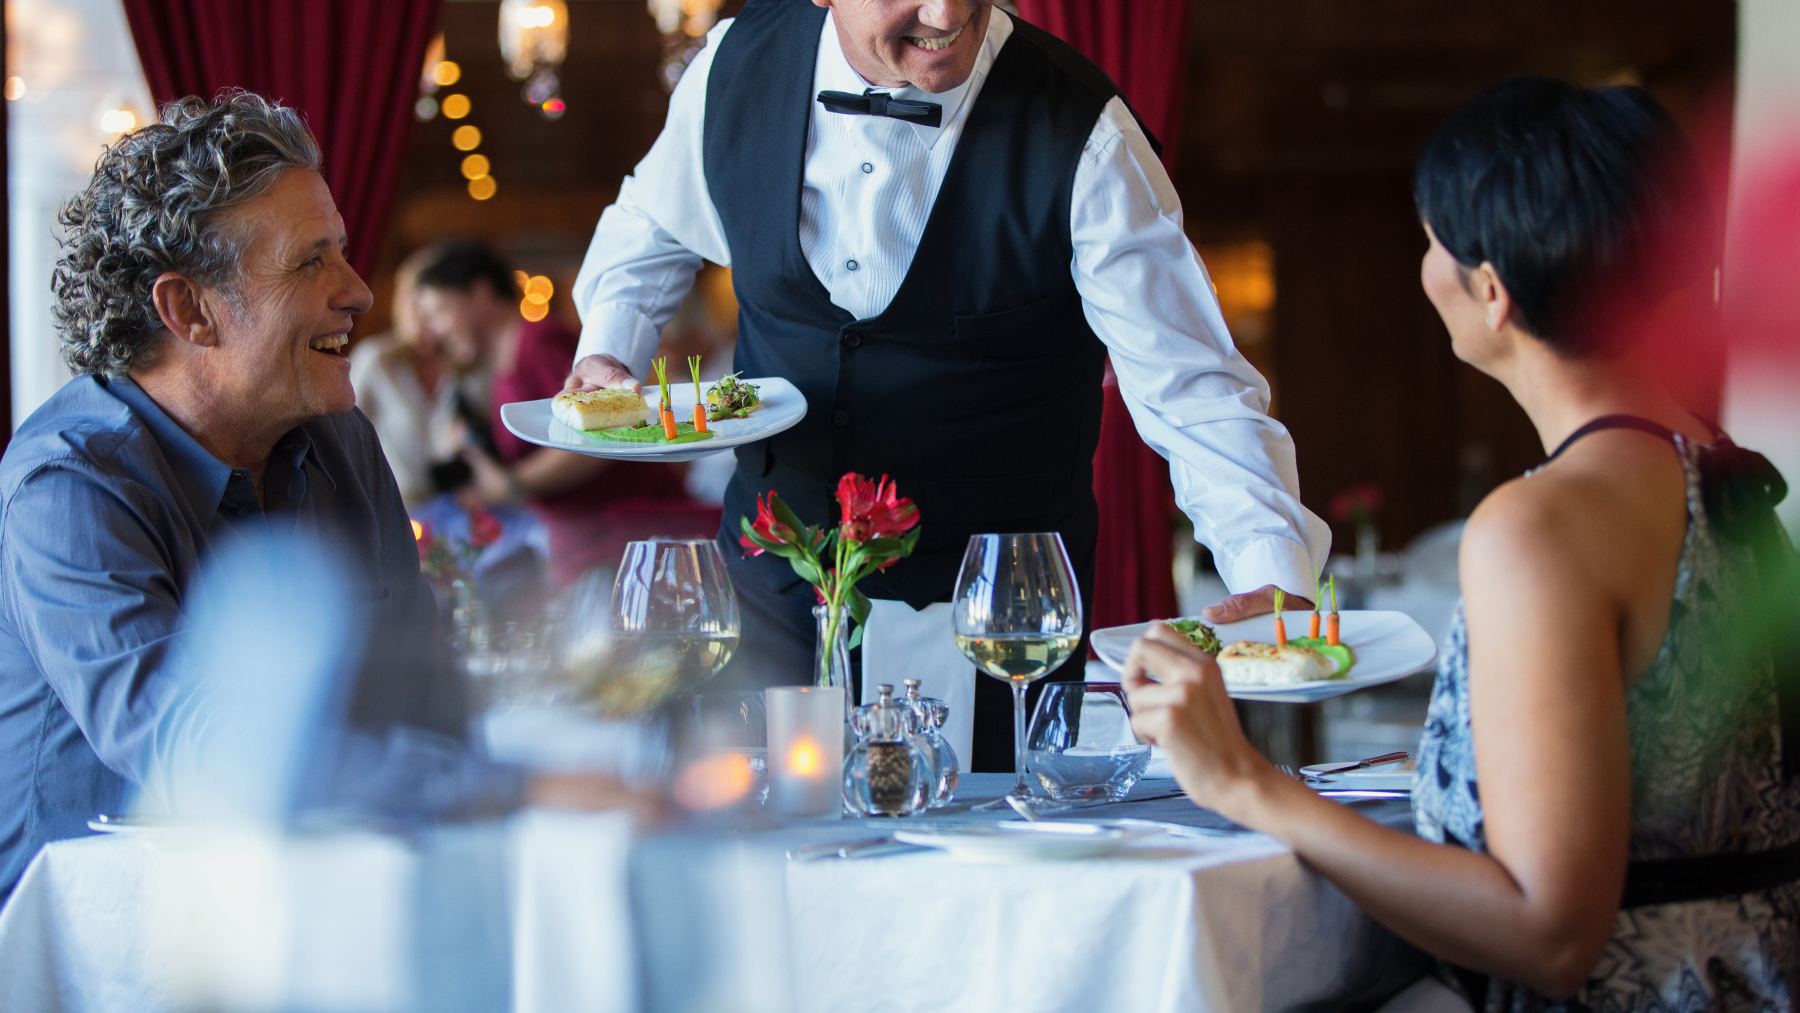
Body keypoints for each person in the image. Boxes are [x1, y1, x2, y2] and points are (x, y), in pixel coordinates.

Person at [1123, 78, 1800, 1008]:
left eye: (1433, 238)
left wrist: (1240, 779)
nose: (1425, 264)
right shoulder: (1724, 477)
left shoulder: (1542, 529)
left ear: (1491, 291)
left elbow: (1550, 933)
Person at [565, 0, 1329, 770]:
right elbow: (651, 226)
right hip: (770, 601)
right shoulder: (734, 67)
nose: (946, 12)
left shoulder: (1083, 130)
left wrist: (1271, 575)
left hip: (1002, 625)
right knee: (762, 867)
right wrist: (609, 351)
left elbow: (1191, 384)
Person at [0, 93, 633, 907]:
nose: (360, 291)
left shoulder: (338, 438)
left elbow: (423, 694)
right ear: (188, 308)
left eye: (340, 251)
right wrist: (514, 790)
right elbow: (200, 750)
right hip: (110, 942)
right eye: (311, 261)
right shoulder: (71, 484)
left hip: (308, 904)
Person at [411, 242, 703, 588]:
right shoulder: (506, 361)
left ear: (480, 292)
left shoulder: (540, 341)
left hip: (628, 536)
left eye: (439, 312)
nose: (435, 331)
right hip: (585, 542)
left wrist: (512, 485)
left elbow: (598, 433)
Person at [348, 242, 493, 509]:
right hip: (391, 508)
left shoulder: (466, 365)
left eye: (440, 307)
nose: (431, 320)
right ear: (406, 304)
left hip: (459, 510)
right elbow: (344, 443)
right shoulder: (376, 360)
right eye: (422, 307)